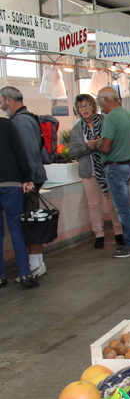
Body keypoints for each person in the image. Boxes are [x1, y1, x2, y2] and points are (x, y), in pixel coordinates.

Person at [1, 86, 48, 276]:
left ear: (9, 100)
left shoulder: (20, 121)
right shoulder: (15, 122)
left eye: (2, 100)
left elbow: (27, 153)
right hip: (19, 182)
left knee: (29, 223)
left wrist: (28, 179)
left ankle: (35, 265)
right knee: (22, 225)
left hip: (26, 183)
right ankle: (28, 268)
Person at [69, 93, 123, 249]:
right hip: (88, 170)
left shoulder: (105, 121)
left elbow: (114, 142)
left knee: (112, 202)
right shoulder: (77, 127)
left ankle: (118, 232)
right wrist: (88, 146)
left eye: (86, 105)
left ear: (93, 106)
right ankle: (98, 234)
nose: (84, 109)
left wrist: (100, 145)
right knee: (94, 204)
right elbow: (73, 151)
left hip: (107, 167)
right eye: (80, 107)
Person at [95, 87, 130, 258]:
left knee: (123, 209)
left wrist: (95, 145)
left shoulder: (110, 118)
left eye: (98, 100)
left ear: (106, 99)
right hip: (127, 166)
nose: (98, 104)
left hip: (115, 167)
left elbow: (106, 146)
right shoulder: (127, 115)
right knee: (126, 206)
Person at [0, 114, 37, 287]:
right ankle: (24, 274)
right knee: (15, 228)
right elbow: (19, 152)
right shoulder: (7, 125)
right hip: (11, 183)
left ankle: (0, 276)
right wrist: (26, 178)